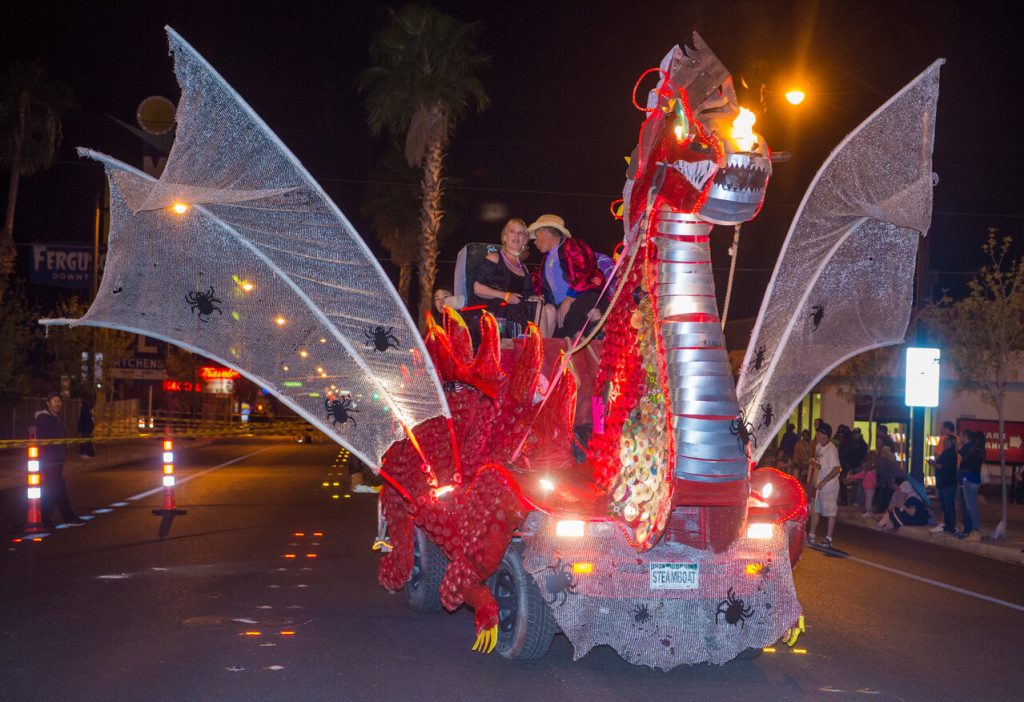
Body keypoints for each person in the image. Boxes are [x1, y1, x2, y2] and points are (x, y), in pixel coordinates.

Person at [528, 214, 607, 339]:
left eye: (537, 237)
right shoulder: (545, 261)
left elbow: (585, 270)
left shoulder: (572, 246)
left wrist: (570, 298)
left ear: (547, 232)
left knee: (579, 314)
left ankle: (597, 324)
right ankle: (581, 336)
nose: (535, 242)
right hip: (564, 308)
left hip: (583, 297)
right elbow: (544, 289)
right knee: (561, 334)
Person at [470, 218, 543, 337]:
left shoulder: (523, 268)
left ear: (525, 240)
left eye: (521, 233)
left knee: (548, 309)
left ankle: (544, 350)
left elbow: (527, 294)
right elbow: (477, 288)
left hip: (517, 308)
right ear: (504, 237)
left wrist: (535, 297)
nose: (517, 235)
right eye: (512, 231)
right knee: (539, 310)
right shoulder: (494, 258)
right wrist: (505, 295)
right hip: (495, 309)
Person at [28, 391, 84, 528]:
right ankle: (69, 517)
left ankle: (44, 517)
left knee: (52, 489)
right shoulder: (43, 419)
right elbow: (32, 431)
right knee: (59, 488)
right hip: (49, 461)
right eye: (54, 401)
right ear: (48, 403)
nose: (57, 404)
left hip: (57, 460)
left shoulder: (56, 419)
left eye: (59, 401)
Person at [807, 421, 841, 549]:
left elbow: (837, 468)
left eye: (820, 434)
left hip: (829, 486)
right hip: (818, 484)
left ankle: (829, 538)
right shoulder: (818, 446)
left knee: (830, 511)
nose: (817, 436)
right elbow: (817, 462)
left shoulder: (831, 449)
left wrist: (824, 481)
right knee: (815, 510)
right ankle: (811, 535)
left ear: (825, 436)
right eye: (817, 433)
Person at [958, 429, 984, 542]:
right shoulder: (981, 451)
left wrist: (963, 462)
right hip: (975, 479)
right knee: (972, 507)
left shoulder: (975, 452)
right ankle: (974, 530)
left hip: (969, 479)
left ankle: (976, 531)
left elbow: (966, 463)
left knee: (971, 507)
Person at [929, 433, 959, 534]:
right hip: (944, 483)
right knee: (945, 506)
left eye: (945, 441)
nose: (943, 443)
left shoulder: (950, 453)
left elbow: (943, 467)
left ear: (951, 442)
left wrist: (933, 464)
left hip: (947, 484)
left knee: (948, 505)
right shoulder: (946, 452)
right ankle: (948, 525)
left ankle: (951, 526)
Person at [873, 445, 904, 513]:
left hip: (888, 483)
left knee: (884, 498)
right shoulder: (892, 460)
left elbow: (883, 474)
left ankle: (882, 511)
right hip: (893, 481)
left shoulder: (882, 461)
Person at [847, 450, 878, 517]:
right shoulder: (867, 471)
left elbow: (874, 481)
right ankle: (869, 511)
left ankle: (869, 511)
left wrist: (873, 485)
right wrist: (851, 477)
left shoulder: (872, 471)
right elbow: (860, 475)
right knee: (867, 500)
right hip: (867, 488)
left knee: (868, 500)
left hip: (870, 488)